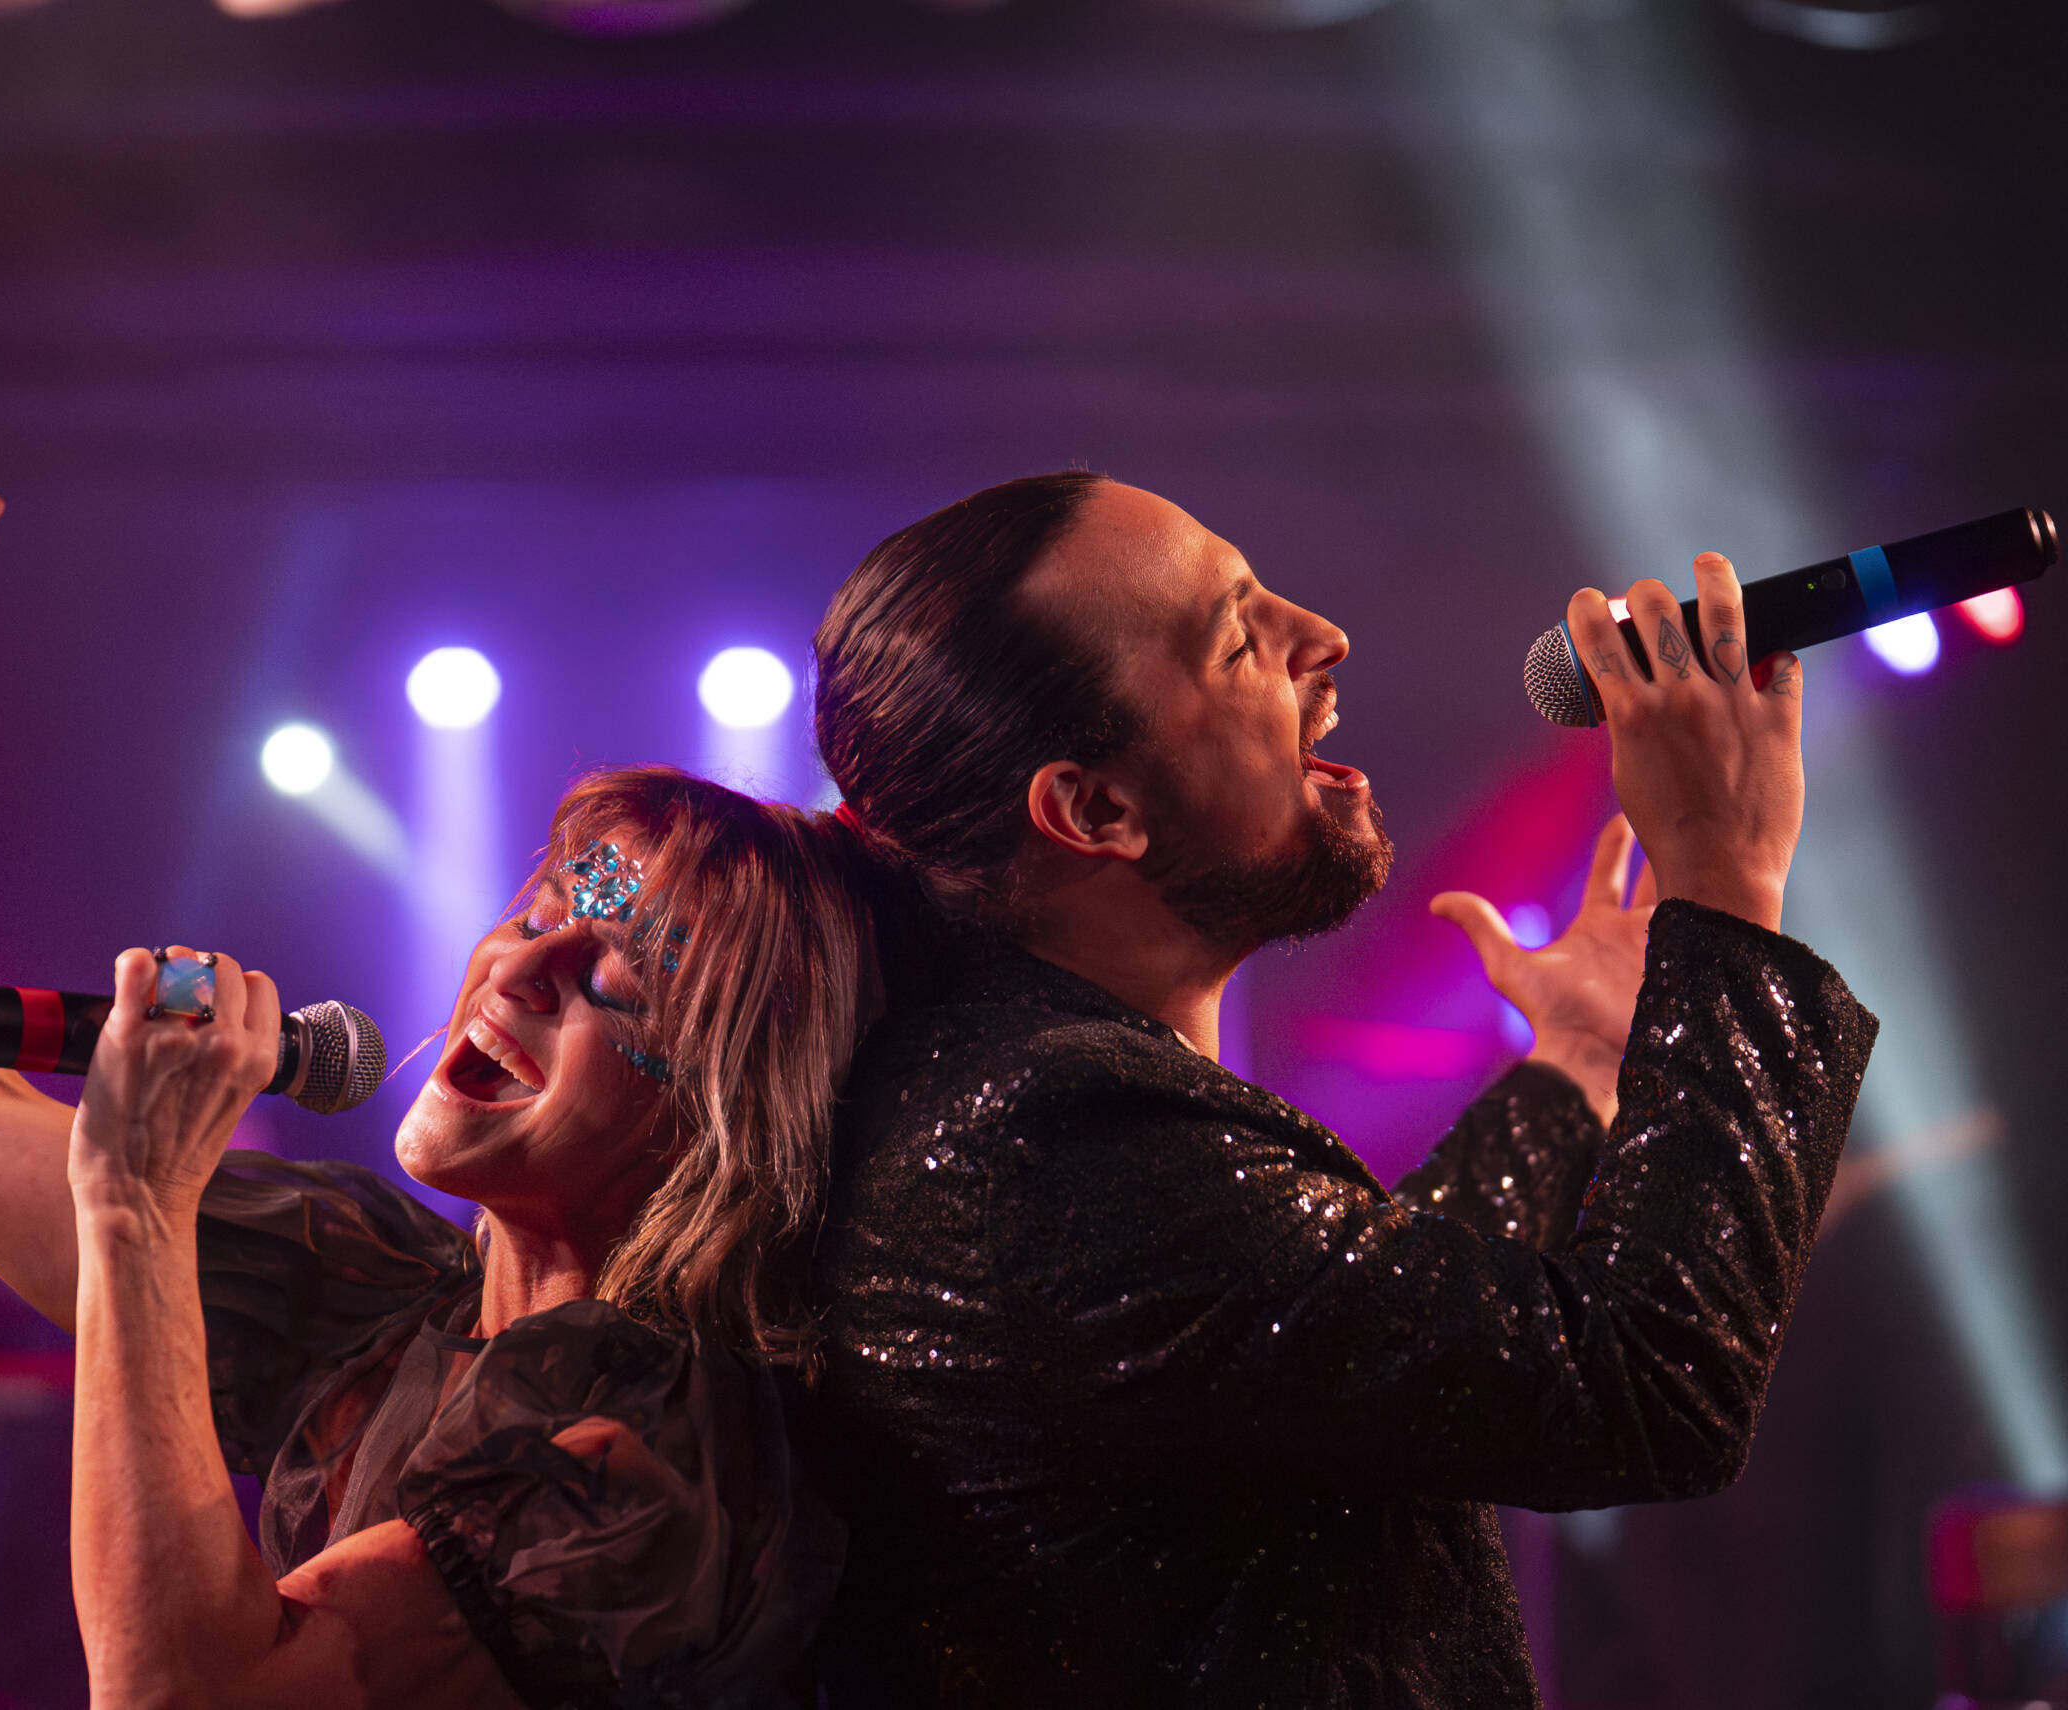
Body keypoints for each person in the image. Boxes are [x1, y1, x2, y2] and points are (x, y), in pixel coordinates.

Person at [0, 314, 861, 1708]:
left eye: (618, 972)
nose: (517, 969)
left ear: (725, 1103)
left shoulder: (653, 1452)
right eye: (541, 911)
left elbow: (178, 1695)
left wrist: (138, 1205)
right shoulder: (375, 1295)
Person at [799, 470, 1878, 1706]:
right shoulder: (1051, 1145)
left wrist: (1578, 1065)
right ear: (1094, 809)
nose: (1324, 637)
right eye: (1238, 639)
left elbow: (1364, 1331)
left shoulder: (1014, 1112)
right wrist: (1725, 884)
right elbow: (1643, 1389)